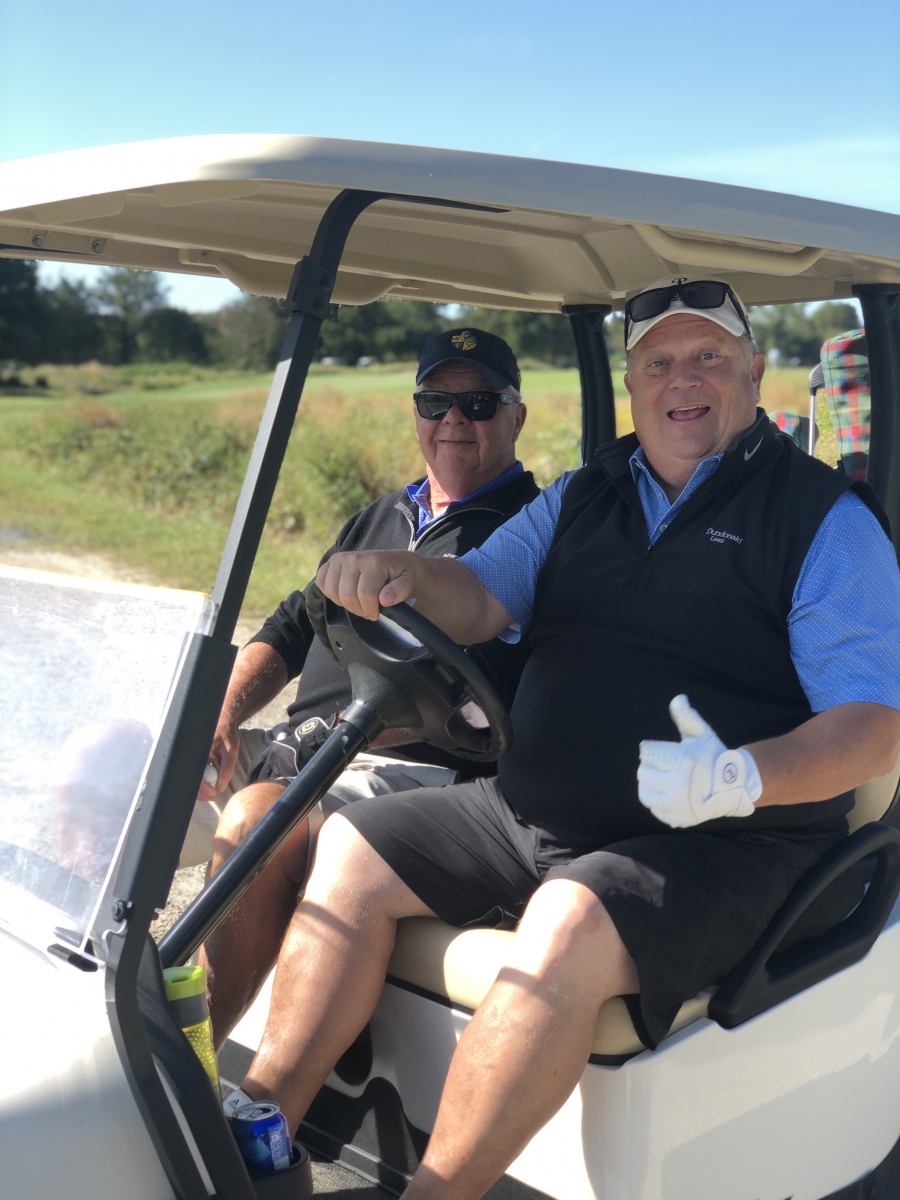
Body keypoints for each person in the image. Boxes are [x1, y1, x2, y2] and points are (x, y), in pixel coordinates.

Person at [224, 278, 900, 1199]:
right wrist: (405, 575)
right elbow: (479, 596)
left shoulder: (822, 519)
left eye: (708, 357)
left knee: (568, 917)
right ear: (633, 384)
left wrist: (741, 775)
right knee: (351, 849)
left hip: (731, 839)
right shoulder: (588, 493)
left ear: (753, 370)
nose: (682, 380)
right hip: (530, 812)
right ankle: (257, 1136)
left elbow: (872, 730)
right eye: (658, 363)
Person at [197, 327, 538, 1045]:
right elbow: (292, 626)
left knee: (259, 817)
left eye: (479, 403)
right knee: (119, 764)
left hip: (408, 773)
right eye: (435, 401)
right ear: (416, 412)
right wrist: (221, 715)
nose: (454, 419)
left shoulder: (527, 537)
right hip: (295, 751)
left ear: (517, 416)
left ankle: (181, 1068)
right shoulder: (382, 516)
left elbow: (504, 699)